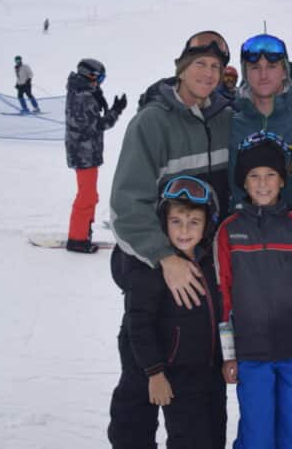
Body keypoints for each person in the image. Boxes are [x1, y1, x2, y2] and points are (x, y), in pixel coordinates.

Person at [107, 30, 233, 449]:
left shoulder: (224, 117)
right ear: (181, 67)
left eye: (216, 67)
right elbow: (127, 206)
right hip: (153, 275)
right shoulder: (153, 122)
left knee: (201, 402)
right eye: (200, 64)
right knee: (141, 388)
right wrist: (166, 258)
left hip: (204, 278)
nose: (208, 73)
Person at [217, 132, 292, 448]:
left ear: (282, 181)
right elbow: (224, 293)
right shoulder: (230, 229)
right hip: (251, 352)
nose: (263, 183)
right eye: (254, 176)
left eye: (270, 175)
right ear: (244, 182)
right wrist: (228, 355)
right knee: (257, 435)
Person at [125, 175, 226, 448]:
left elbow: (223, 315)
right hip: (175, 375)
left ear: (207, 225)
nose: (184, 231)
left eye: (194, 222)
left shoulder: (213, 262)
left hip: (211, 373)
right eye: (176, 222)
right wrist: (155, 372)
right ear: (164, 223)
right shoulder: (153, 269)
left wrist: (229, 358)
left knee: (213, 438)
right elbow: (139, 323)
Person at [227, 33, 292, 212]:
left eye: (271, 66)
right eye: (255, 67)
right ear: (246, 73)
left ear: (284, 71)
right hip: (242, 233)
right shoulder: (231, 123)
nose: (263, 75)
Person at [64, 58, 127, 253]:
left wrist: (101, 99)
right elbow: (98, 125)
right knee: (86, 196)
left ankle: (83, 232)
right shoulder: (83, 96)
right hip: (84, 154)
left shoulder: (83, 91)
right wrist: (116, 111)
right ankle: (77, 239)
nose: (100, 82)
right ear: (89, 75)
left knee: (90, 195)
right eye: (99, 78)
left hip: (86, 152)